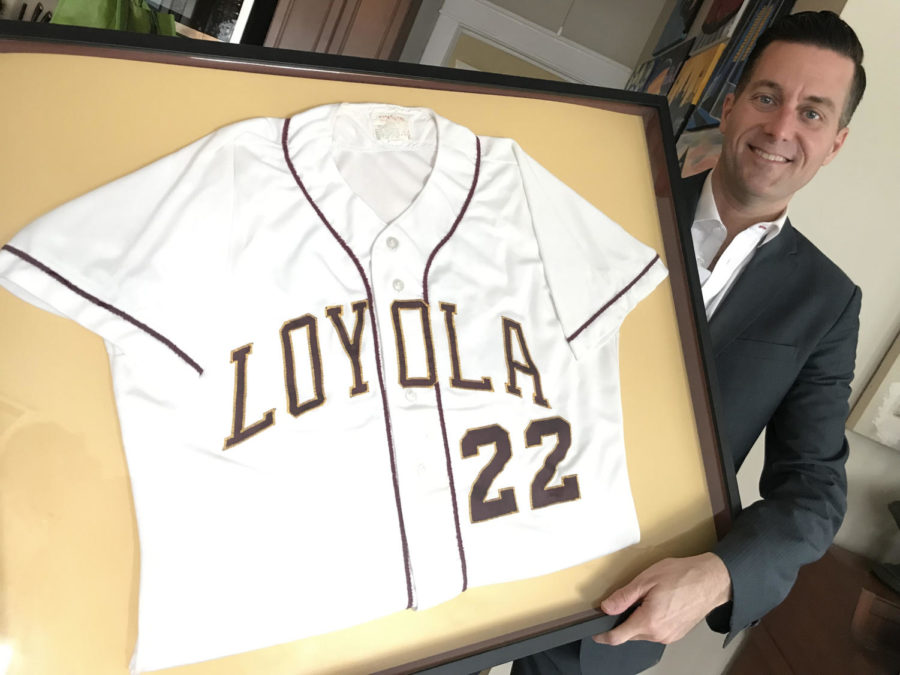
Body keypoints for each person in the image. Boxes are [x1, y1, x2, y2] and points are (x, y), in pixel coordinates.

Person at [512, 10, 865, 674]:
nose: (782, 127)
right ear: (730, 105)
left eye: (813, 113)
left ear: (836, 143)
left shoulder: (827, 302)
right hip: (484, 544)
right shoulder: (605, 202)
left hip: (620, 605)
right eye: (768, 96)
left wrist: (718, 574)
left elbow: (813, 489)